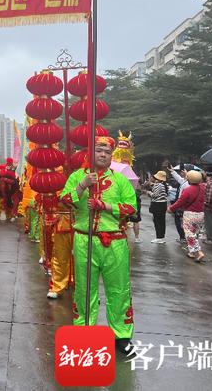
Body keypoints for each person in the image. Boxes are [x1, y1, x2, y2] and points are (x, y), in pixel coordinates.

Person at [60, 136, 137, 354]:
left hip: (115, 241)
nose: (103, 155)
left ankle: (121, 336)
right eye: (98, 151)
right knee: (84, 289)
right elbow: (64, 200)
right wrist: (82, 186)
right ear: (90, 153)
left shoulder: (120, 180)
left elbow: (131, 208)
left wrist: (106, 205)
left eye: (107, 152)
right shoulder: (77, 176)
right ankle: (84, 332)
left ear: (111, 155)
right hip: (85, 239)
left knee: (119, 290)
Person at [168, 170, 207, 263]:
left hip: (190, 214)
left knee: (189, 234)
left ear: (189, 179)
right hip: (200, 214)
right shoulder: (202, 187)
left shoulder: (188, 190)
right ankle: (191, 252)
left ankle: (199, 252)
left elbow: (179, 202)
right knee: (195, 233)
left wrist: (171, 208)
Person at [147, 170, 169, 244]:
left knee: (157, 221)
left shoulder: (158, 185)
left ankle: (159, 237)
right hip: (163, 204)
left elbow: (154, 195)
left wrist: (149, 192)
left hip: (157, 205)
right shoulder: (164, 185)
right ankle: (162, 237)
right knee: (162, 221)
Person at [202, 169, 212, 244]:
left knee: (210, 223)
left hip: (210, 207)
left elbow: (209, 197)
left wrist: (205, 202)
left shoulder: (210, 183)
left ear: (206, 173)